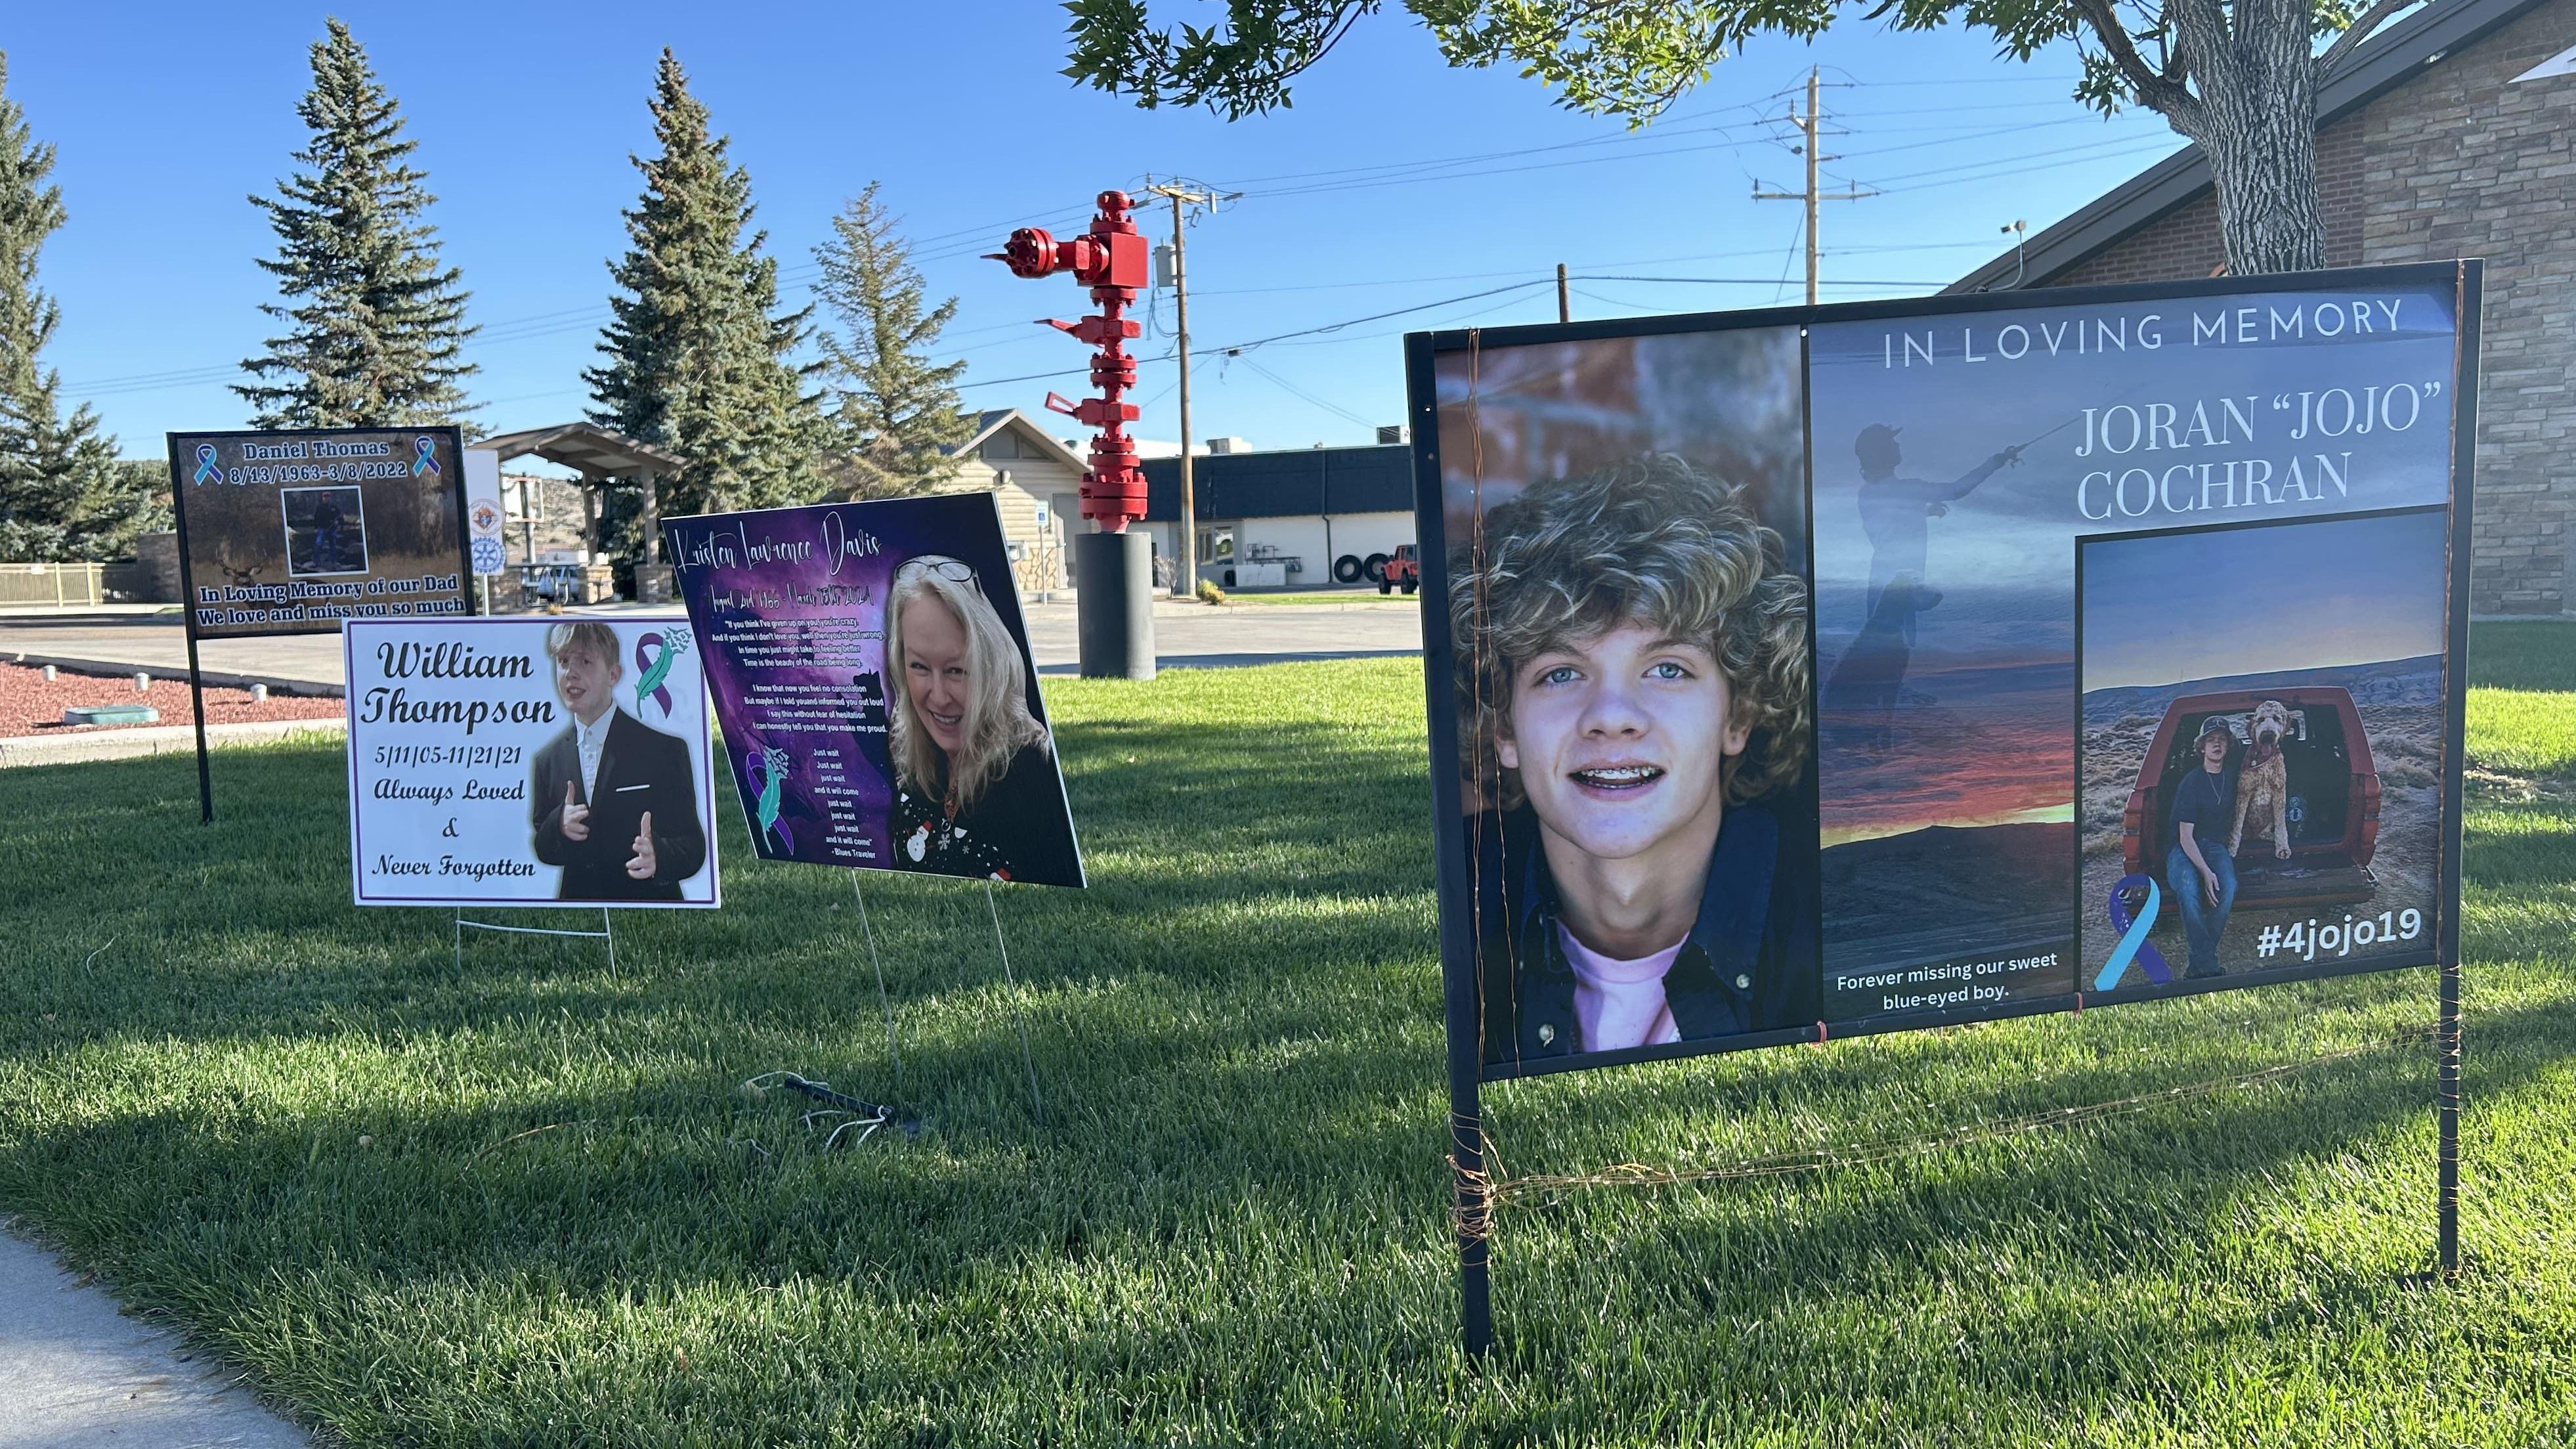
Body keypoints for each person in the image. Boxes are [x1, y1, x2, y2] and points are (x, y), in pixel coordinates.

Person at [1451, 454, 1815, 1067]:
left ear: (1739, 714)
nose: (1612, 715)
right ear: (1502, 726)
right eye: (1560, 672)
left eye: (1668, 668)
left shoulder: (1837, 910)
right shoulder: (1449, 906)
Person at [885, 555, 1083, 886]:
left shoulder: (1034, 769)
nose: (939, 696)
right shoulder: (905, 748)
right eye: (919, 666)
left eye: (957, 671)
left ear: (992, 663)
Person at [530, 620, 708, 901]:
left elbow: (694, 846)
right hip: (579, 908)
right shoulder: (547, 761)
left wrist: (659, 857)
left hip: (647, 908)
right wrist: (559, 826)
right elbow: (544, 846)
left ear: (613, 675)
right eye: (563, 661)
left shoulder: (663, 750)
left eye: (585, 661)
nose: (571, 673)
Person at [1853, 424, 2019, 648]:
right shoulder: (1909, 490)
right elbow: (1956, 490)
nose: (1897, 444)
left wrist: (1924, 512)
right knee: (1897, 646)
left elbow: (1888, 523)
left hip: (1883, 578)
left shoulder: (1867, 493)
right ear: (1882, 452)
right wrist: (1997, 461)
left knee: (1877, 645)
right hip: (1903, 582)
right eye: (1892, 443)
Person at [2166, 716, 2239, 979]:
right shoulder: (2191, 782)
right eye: (2211, 740)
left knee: (2228, 888)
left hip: (2215, 847)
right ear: (2202, 748)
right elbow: (2186, 837)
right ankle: (2208, 966)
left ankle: (2198, 964)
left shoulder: (2233, 778)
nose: (2217, 745)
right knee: (2188, 889)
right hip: (2184, 848)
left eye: (2222, 740)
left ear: (2228, 746)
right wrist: (2206, 872)